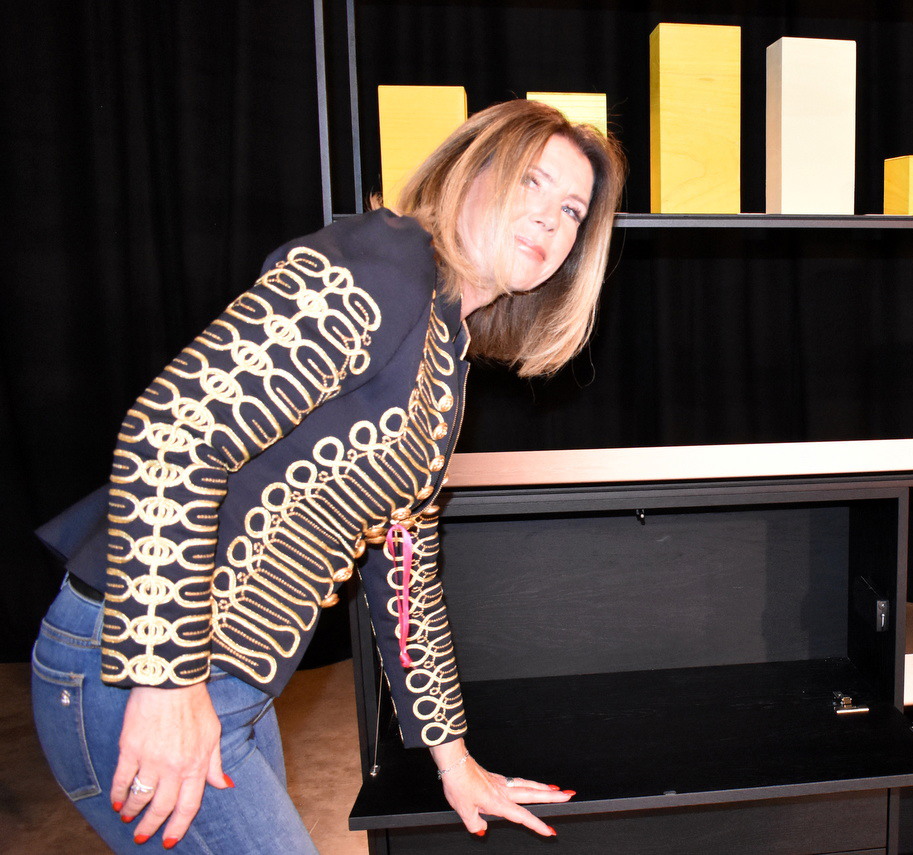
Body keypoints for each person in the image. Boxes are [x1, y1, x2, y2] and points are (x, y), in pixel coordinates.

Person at [31, 98, 627, 852]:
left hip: (226, 683)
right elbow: (173, 435)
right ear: (465, 174)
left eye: (572, 209)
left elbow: (403, 566)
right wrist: (165, 683)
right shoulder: (383, 265)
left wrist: (455, 761)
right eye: (529, 181)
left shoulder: (443, 336)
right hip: (142, 666)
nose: (550, 218)